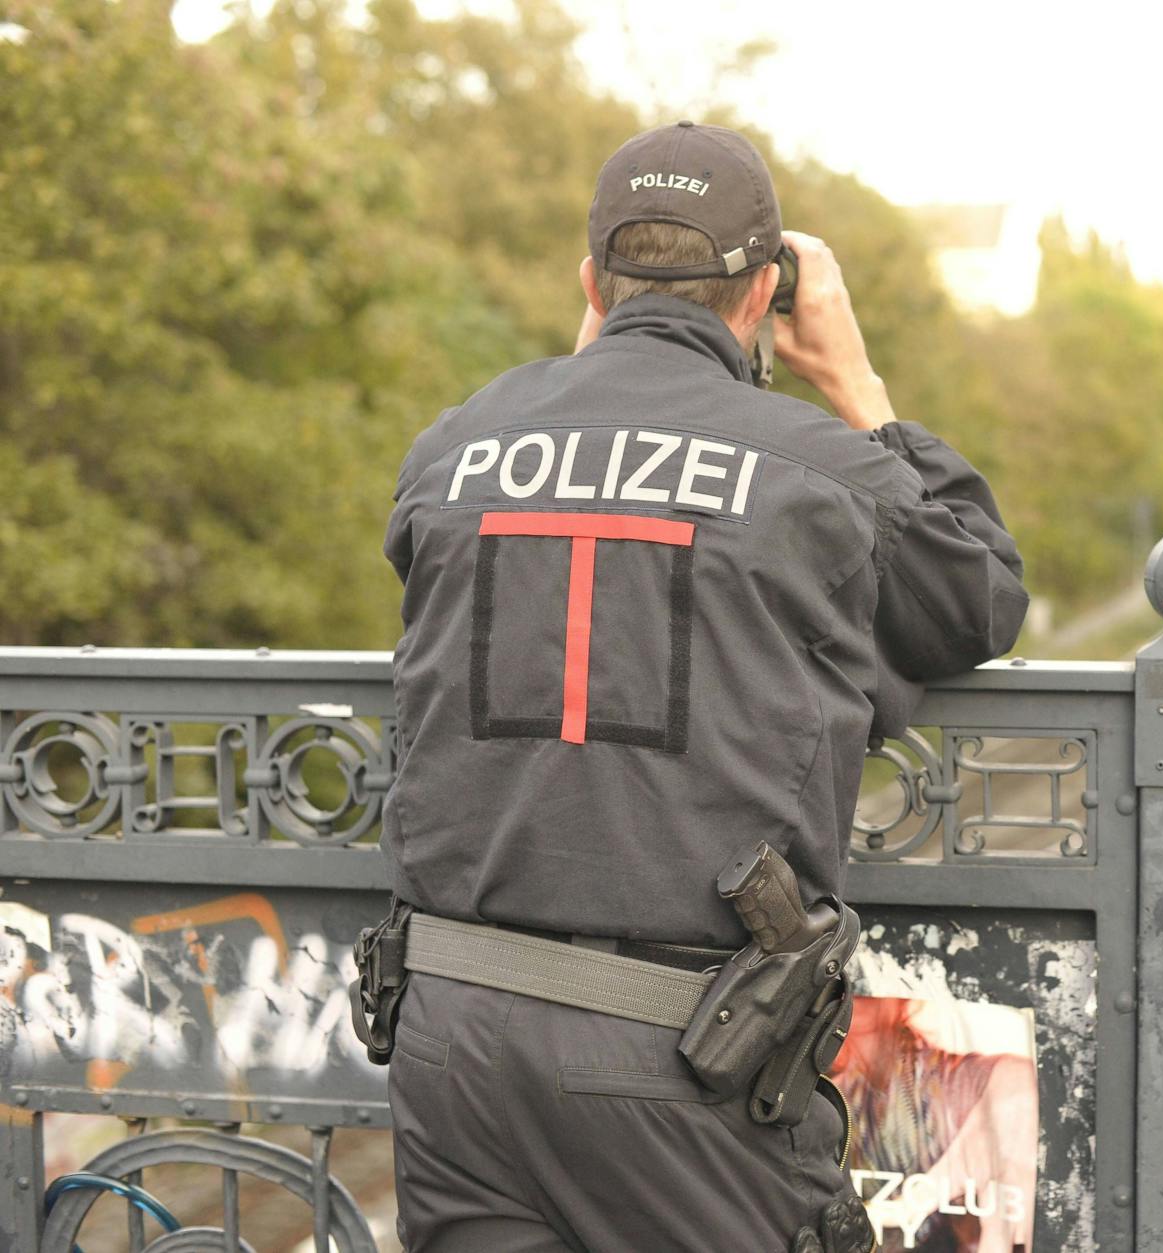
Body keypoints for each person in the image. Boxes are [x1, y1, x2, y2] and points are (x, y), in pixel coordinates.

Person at [369, 120, 1028, 1252]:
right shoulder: (819, 469)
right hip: (680, 1054)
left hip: (451, 1035)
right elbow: (975, 598)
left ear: (591, 281)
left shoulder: (451, 448)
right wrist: (854, 380)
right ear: (770, 289)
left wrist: (590, 374)